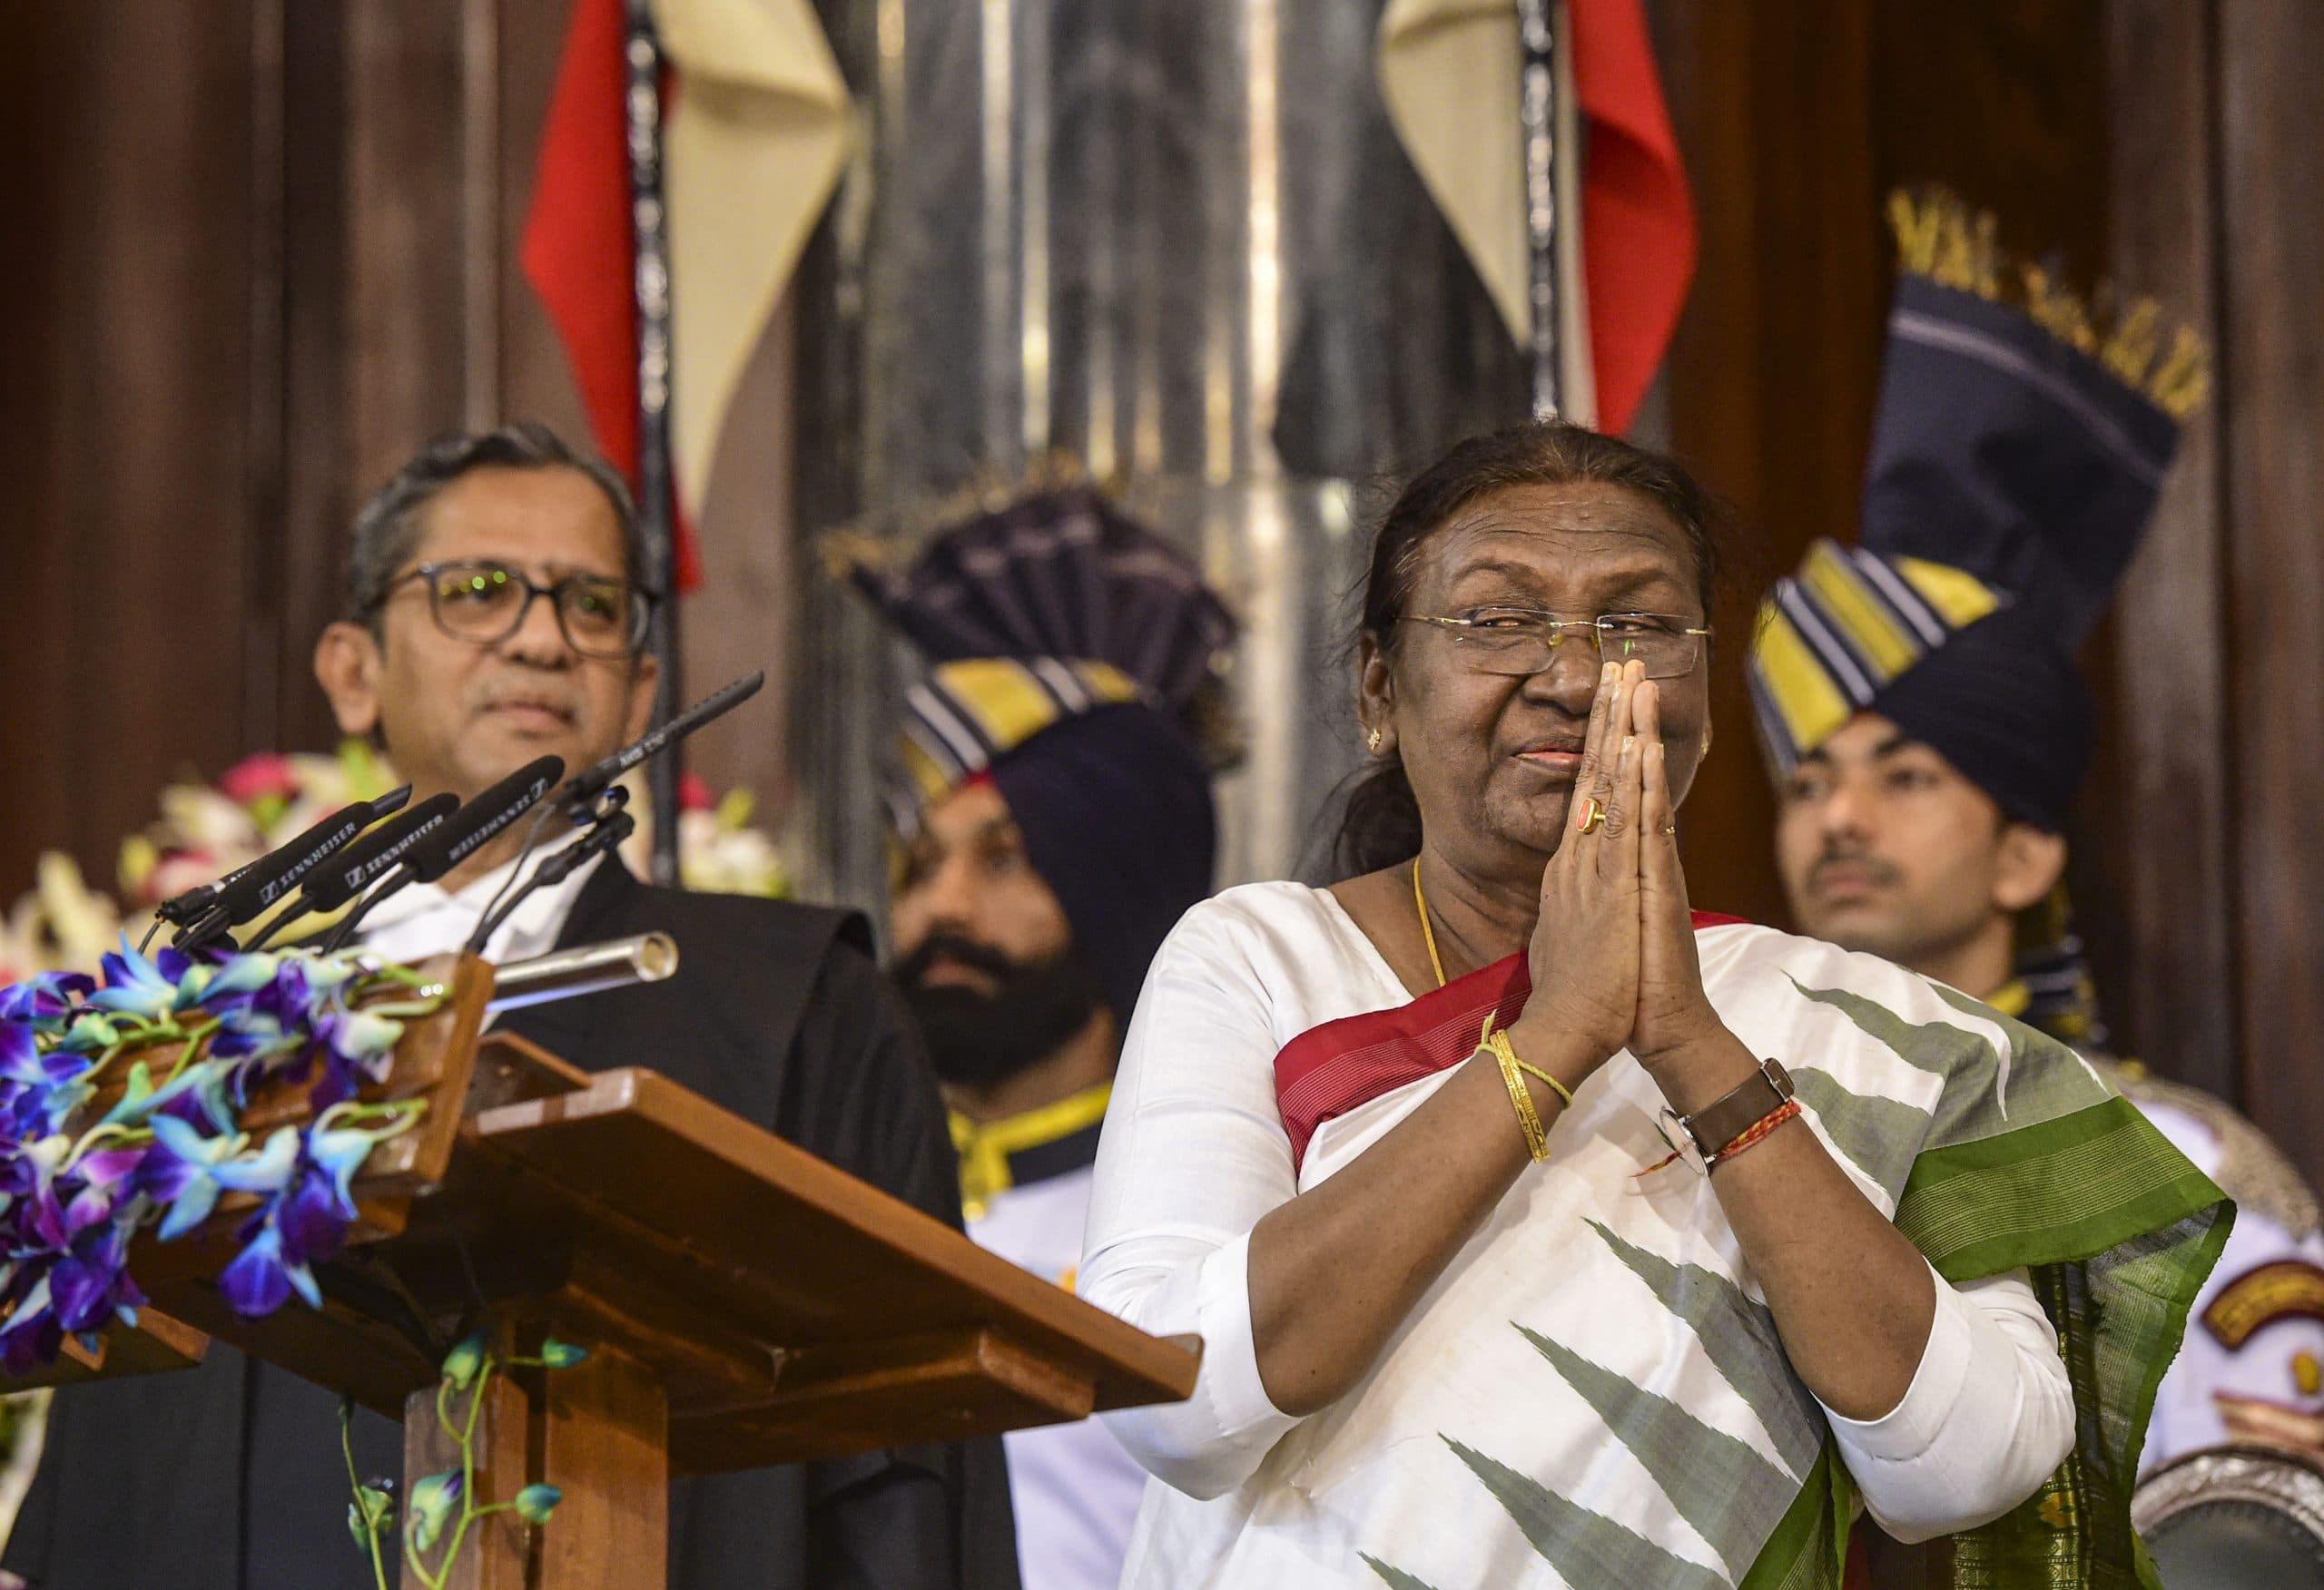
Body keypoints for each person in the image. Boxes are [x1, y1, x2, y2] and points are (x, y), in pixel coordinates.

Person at [1076, 418, 2230, 1588]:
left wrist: (1690, 1045)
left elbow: (1967, 1471)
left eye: (1635, 625)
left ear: (1705, 700)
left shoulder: (1858, 1032)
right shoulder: (1256, 959)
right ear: (1381, 686)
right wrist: (1556, 1038)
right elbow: (1171, 1394)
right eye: (1496, 619)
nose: (1574, 676)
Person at [3, 423, 1019, 1590]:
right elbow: (106, 1471)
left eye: (590, 604)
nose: (540, 637)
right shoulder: (205, 1038)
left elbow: (902, 1474)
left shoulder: (798, 1009)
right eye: (476, 591)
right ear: (353, 669)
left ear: (640, 686)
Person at [1755, 190, 2324, 1477]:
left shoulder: (2177, 1169)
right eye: (1807, 782)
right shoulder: (1717, 1131)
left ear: (2025, 855)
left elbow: (2253, 1534)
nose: (1838, 817)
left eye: (1904, 777)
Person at [849, 489, 1236, 1590]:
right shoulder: (838, 1204)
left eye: (1005, 858)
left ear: (1118, 895)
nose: (943, 911)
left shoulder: (1215, 1223)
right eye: (921, 865)